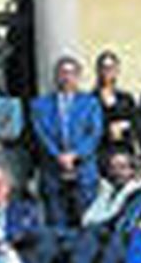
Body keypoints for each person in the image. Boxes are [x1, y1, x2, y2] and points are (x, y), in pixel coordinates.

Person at [30, 56, 103, 226]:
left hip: (83, 171)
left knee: (87, 223)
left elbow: (94, 133)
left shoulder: (90, 103)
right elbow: (41, 134)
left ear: (78, 76)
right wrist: (59, 156)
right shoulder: (40, 104)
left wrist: (75, 155)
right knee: (56, 223)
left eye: (71, 73)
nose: (66, 77)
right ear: (56, 76)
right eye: (62, 72)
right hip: (53, 170)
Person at [93, 49, 138, 156]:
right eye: (104, 68)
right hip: (101, 151)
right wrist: (107, 129)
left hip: (124, 150)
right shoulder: (91, 99)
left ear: (117, 70)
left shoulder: (126, 98)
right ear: (98, 70)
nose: (108, 71)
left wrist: (125, 125)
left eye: (111, 68)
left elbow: (136, 123)